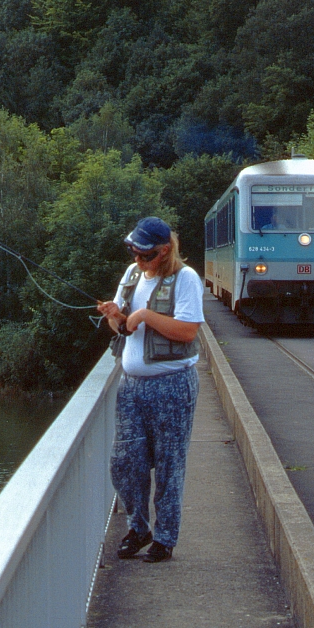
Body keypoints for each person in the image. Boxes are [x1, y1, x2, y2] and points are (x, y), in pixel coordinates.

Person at [96, 217, 204, 563]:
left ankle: (164, 538)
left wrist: (142, 315)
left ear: (164, 251)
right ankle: (138, 527)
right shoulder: (131, 275)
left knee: (170, 465)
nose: (138, 261)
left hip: (172, 385)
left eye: (146, 255)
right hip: (131, 387)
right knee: (125, 463)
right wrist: (115, 315)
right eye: (134, 253)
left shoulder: (185, 279)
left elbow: (187, 331)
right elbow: (118, 326)